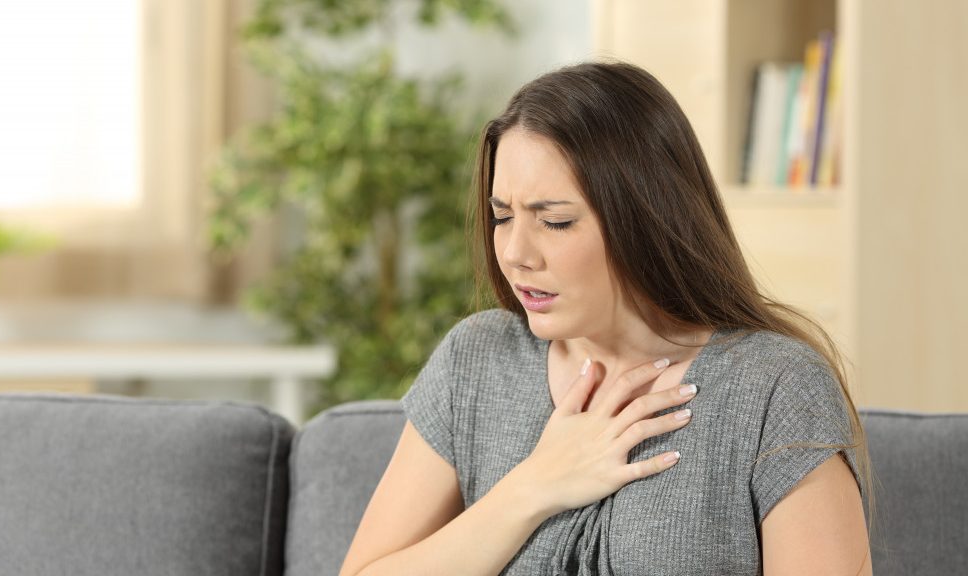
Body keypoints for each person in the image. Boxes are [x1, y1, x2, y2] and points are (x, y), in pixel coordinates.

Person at [339, 61, 871, 576]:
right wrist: (532, 487)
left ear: (645, 218)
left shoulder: (774, 387)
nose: (516, 252)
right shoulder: (476, 360)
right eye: (502, 216)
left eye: (555, 221)